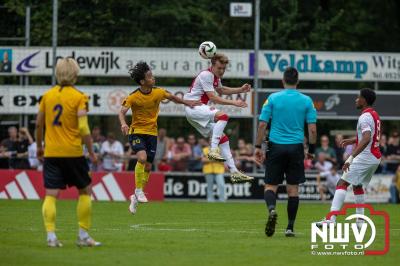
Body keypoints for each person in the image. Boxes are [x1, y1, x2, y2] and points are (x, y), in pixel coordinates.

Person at [118, 61, 199, 214]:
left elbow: (174, 98)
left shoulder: (159, 92)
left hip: (152, 134)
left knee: (148, 166)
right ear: (142, 81)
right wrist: (123, 124)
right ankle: (138, 190)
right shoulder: (133, 97)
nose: (153, 78)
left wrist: (187, 102)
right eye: (149, 76)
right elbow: (121, 112)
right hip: (137, 132)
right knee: (141, 158)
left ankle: (135, 196)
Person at [36, 58, 100, 247]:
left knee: (51, 194)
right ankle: (83, 236)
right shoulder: (80, 97)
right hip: (73, 153)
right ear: (75, 73)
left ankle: (51, 237)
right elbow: (83, 129)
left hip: (52, 153)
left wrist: (40, 146)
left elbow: (39, 123)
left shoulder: (47, 96)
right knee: (86, 190)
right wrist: (91, 152)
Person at [254, 67, 317, 237]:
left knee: (270, 186)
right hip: (296, 147)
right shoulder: (307, 101)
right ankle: (289, 227)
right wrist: (311, 150)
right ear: (298, 81)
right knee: (293, 190)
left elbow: (261, 125)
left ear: (283, 80)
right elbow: (312, 129)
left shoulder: (273, 98)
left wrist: (258, 147)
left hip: (276, 146)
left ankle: (272, 209)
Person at [315, 88, 382, 227]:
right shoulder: (374, 114)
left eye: (358, 97)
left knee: (342, 183)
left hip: (365, 156)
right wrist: (353, 140)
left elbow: (367, 138)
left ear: (364, 100)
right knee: (357, 186)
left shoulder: (364, 117)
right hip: (374, 157)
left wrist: (351, 157)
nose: (356, 100)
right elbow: (369, 136)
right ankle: (360, 221)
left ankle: (331, 219)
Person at [183, 53, 253, 182]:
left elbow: (221, 90)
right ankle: (213, 150)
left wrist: (240, 90)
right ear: (212, 65)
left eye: (224, 69)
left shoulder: (214, 77)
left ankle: (234, 172)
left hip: (195, 110)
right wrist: (234, 103)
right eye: (219, 68)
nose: (221, 71)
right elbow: (213, 97)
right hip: (193, 107)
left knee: (223, 138)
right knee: (223, 116)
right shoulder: (206, 75)